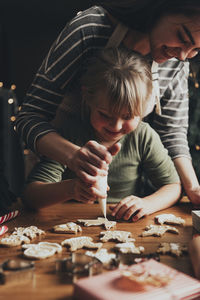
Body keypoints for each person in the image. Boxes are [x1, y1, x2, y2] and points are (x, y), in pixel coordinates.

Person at [16, 0, 200, 204]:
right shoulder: (90, 29)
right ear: (161, 8)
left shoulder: (177, 62)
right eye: (183, 37)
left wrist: (193, 188)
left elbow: (173, 133)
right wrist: (73, 156)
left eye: (195, 49)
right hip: (57, 168)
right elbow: (29, 116)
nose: (183, 56)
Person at [22, 47, 181, 221]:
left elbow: (173, 187)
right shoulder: (69, 134)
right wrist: (72, 189)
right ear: (87, 97)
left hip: (123, 227)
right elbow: (31, 197)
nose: (116, 126)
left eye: (128, 116)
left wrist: (148, 204)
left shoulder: (143, 136)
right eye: (105, 115)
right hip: (68, 224)